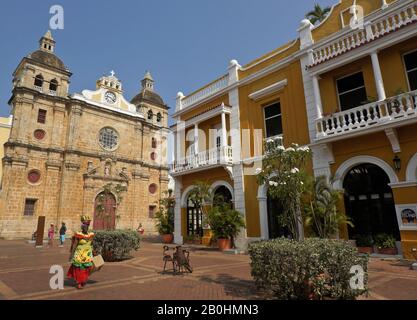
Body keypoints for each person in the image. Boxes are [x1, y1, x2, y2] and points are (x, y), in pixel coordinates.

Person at [67, 215, 95, 289]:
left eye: (87, 225)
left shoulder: (91, 235)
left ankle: (83, 280)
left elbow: (92, 245)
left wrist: (94, 253)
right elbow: (74, 245)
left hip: (87, 255)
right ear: (82, 226)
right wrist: (71, 255)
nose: (86, 227)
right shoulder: (78, 235)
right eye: (85, 225)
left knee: (87, 268)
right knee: (80, 269)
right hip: (79, 255)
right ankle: (79, 282)